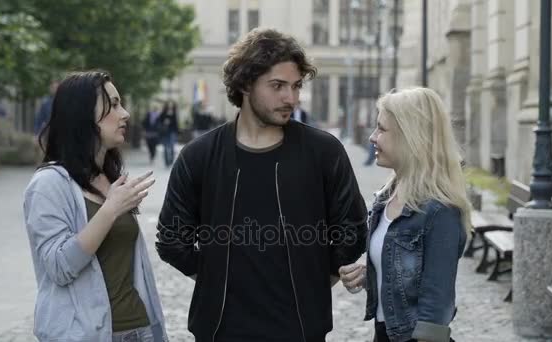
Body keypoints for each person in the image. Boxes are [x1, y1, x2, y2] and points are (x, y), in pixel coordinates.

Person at [156, 28, 368, 342]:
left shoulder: (323, 152)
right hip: (220, 331)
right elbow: (172, 239)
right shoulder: (199, 156)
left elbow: (352, 227)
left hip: (298, 329)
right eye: (277, 86)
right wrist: (215, 279)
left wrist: (317, 283)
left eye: (295, 86)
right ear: (244, 84)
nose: (291, 98)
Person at [23, 71, 168, 342]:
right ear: (82, 116)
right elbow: (59, 267)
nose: (124, 114)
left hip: (139, 330)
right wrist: (111, 209)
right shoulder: (49, 184)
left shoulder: (112, 179)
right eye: (113, 105)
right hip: (85, 334)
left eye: (120, 103)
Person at [338, 87, 471, 342]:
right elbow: (406, 267)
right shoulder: (386, 197)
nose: (372, 137)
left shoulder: (439, 210)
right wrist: (370, 274)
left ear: (411, 137)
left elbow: (437, 302)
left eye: (382, 129)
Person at [157, 100, 179, 167]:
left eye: (171, 105)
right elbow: (159, 121)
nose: (170, 106)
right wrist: (165, 122)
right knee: (166, 147)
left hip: (172, 132)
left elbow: (176, 123)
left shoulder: (174, 113)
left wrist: (177, 131)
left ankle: (171, 160)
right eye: (169, 105)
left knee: (172, 146)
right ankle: (167, 161)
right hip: (165, 132)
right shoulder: (163, 113)